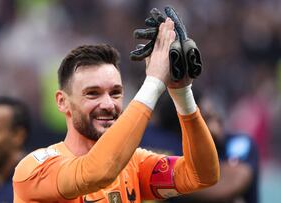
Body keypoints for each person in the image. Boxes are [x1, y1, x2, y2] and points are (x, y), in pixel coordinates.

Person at [13, 18, 220, 202]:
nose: (108, 104)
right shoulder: (34, 170)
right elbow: (97, 172)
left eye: (115, 93)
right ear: (62, 102)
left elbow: (202, 175)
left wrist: (182, 92)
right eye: (92, 93)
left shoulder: (135, 165)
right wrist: (154, 82)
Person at [142, 94, 259, 203]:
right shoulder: (154, 137)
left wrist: (165, 180)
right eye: (206, 118)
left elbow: (229, 183)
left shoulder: (237, 143)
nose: (216, 121)